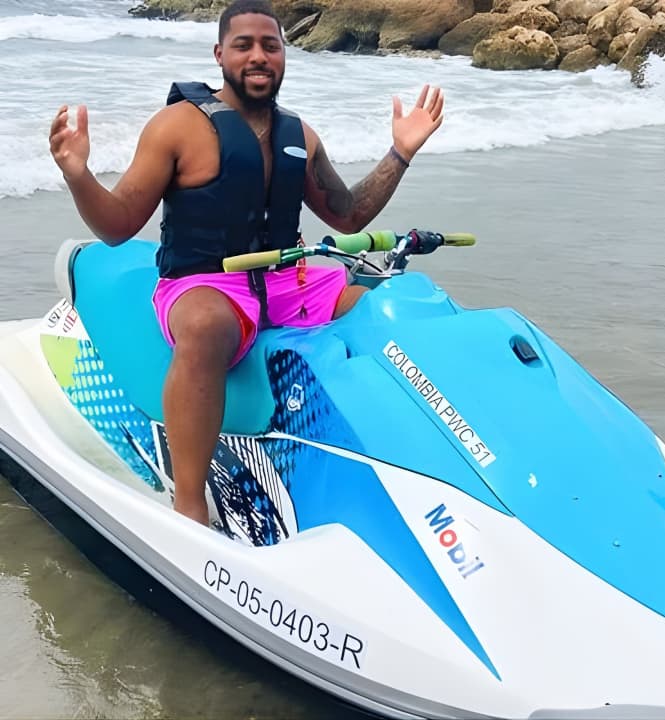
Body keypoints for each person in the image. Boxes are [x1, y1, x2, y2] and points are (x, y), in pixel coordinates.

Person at [49, 0, 444, 526]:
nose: (258, 56)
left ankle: (404, 463)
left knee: (386, 306)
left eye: (270, 45)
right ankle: (190, 502)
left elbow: (348, 215)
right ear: (220, 54)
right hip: (204, 284)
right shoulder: (176, 127)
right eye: (244, 45)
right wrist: (78, 174)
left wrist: (400, 153)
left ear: (283, 54)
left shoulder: (299, 135)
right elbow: (118, 225)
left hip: (288, 281)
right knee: (207, 328)